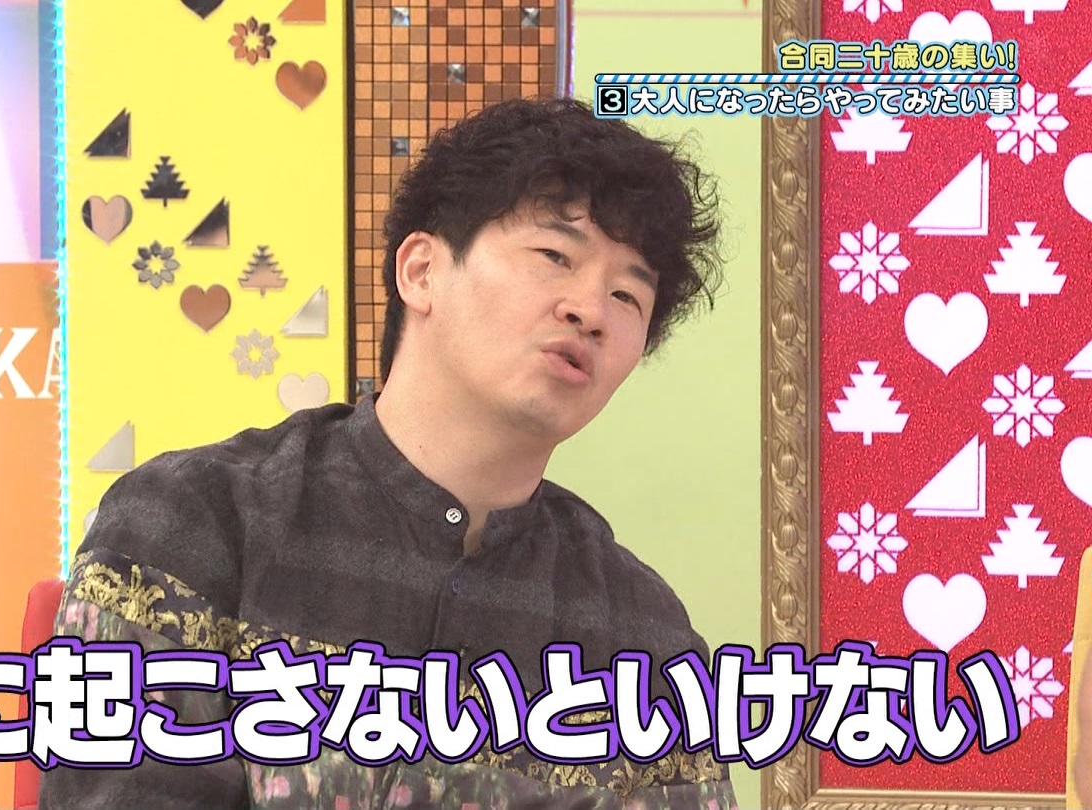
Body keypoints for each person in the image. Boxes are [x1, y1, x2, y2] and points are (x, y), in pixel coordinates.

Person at [40, 95, 731, 809]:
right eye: (555, 256)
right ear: (422, 271)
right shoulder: (192, 521)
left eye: (627, 296)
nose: (589, 311)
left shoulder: (646, 637)